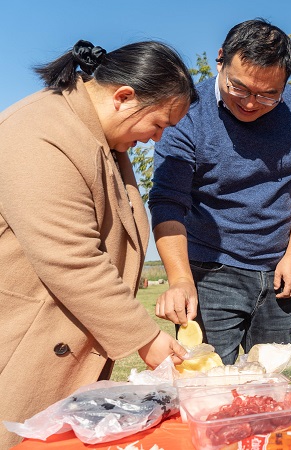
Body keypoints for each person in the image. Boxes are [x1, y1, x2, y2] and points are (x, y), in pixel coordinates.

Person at [0, 39, 197, 447]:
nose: (159, 139)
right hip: (21, 346)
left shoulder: (100, 137)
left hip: (59, 344)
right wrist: (146, 338)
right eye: (159, 123)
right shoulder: (39, 133)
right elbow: (72, 258)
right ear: (124, 97)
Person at [148, 18, 291, 365]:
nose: (250, 103)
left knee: (278, 383)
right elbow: (168, 202)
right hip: (211, 272)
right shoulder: (188, 113)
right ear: (220, 60)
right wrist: (181, 279)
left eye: (268, 94)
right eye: (239, 88)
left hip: (278, 274)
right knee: (207, 383)